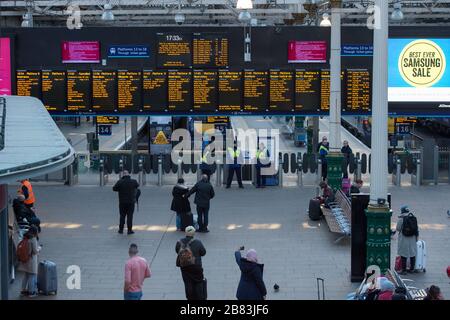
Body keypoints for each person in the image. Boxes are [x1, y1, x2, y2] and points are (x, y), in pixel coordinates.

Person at [113, 170, 140, 235]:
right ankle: (129, 230)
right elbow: (137, 186)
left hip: (122, 202)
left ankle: (121, 230)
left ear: (123, 175)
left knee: (122, 216)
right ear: (128, 174)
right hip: (131, 202)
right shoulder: (133, 181)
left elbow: (114, 188)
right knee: (130, 216)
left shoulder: (120, 182)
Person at [18, 226, 40, 298]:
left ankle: (23, 290)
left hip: (25, 260)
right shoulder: (33, 239)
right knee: (32, 276)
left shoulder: (25, 237)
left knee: (26, 276)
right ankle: (31, 292)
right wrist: (39, 248)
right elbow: (35, 251)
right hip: (31, 260)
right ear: (35, 232)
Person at [396, 206, 419, 275]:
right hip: (412, 238)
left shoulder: (401, 219)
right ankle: (412, 269)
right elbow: (416, 228)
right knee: (412, 253)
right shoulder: (413, 217)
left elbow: (398, 228)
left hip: (404, 238)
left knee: (403, 254)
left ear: (402, 211)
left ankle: (404, 270)